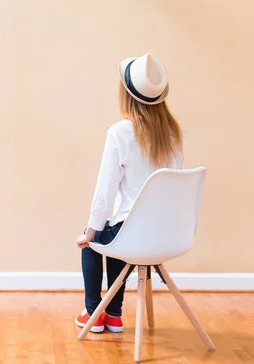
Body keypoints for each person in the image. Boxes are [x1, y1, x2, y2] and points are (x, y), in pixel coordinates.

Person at [74, 53, 184, 333]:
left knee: (96, 238)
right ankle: (114, 314)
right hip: (167, 236)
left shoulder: (122, 132)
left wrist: (90, 231)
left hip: (132, 235)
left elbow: (104, 193)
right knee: (116, 233)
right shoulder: (173, 134)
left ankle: (94, 314)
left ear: (127, 95)